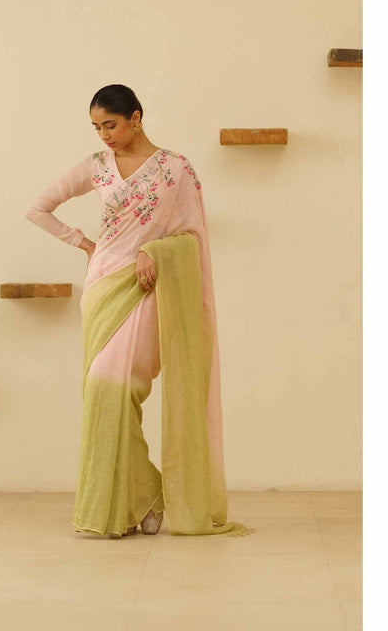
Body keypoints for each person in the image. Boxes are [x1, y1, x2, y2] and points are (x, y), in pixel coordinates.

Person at [25, 84, 256, 539]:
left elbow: (193, 236)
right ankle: (145, 495)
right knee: (101, 391)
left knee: (120, 388)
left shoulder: (174, 169)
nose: (104, 136)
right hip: (103, 285)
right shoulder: (96, 167)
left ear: (136, 117)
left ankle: (141, 497)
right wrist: (85, 244)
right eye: (96, 128)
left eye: (110, 125)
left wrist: (155, 250)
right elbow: (37, 209)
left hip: (149, 288)